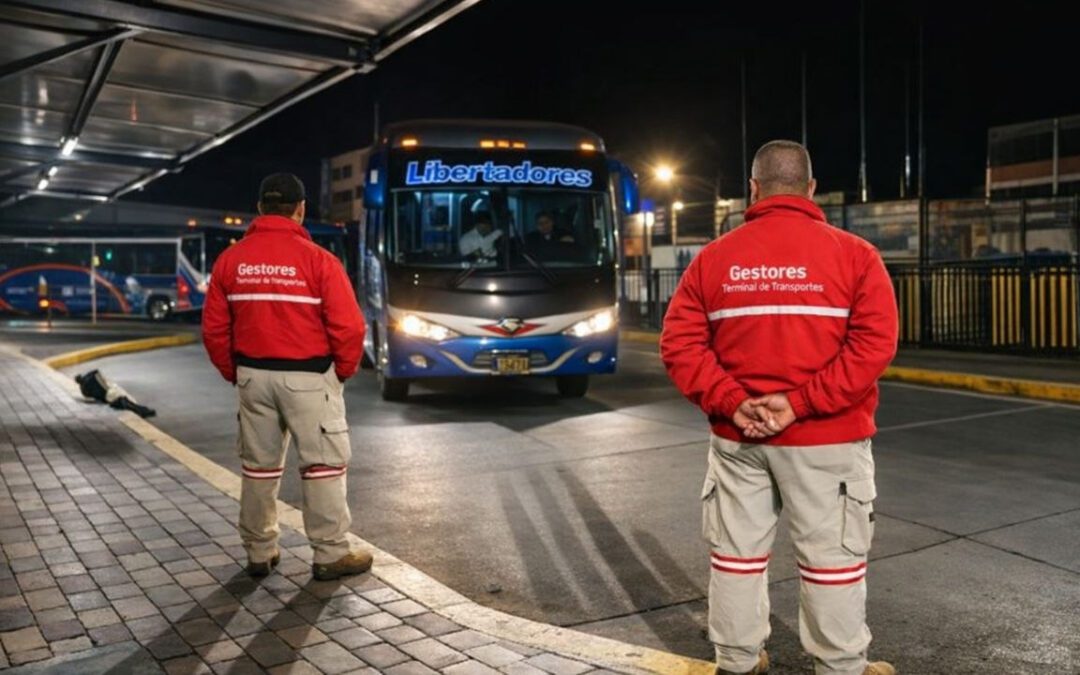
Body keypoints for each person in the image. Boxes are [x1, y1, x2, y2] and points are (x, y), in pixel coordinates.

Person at [660, 141, 898, 675]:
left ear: (753, 189)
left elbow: (679, 345)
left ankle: (738, 661)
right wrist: (801, 403)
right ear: (811, 189)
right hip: (827, 440)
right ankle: (840, 666)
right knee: (832, 561)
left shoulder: (712, 259)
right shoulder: (857, 256)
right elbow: (873, 347)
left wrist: (733, 402)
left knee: (736, 557)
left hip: (738, 440)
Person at [202, 172, 372, 581]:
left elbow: (214, 329)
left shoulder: (231, 260)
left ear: (260, 208)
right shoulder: (320, 261)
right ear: (300, 209)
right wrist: (341, 373)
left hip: (252, 376)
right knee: (323, 466)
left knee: (258, 468)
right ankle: (330, 554)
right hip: (309, 377)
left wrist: (234, 372)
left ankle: (260, 552)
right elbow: (350, 327)